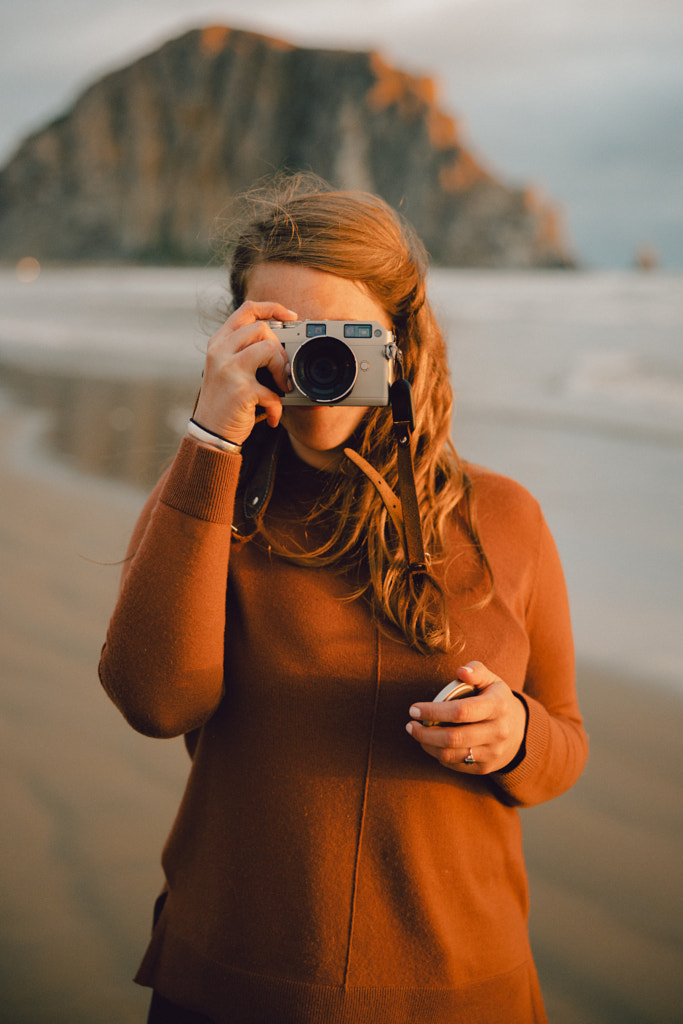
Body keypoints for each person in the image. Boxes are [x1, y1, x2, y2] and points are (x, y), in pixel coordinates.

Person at [99, 175, 588, 1024]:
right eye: (278, 334)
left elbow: (564, 745)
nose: (311, 363)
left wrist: (515, 736)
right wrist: (211, 437)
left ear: (400, 341)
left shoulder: (504, 519)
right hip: (229, 986)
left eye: (340, 334)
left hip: (462, 992)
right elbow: (154, 700)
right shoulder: (204, 508)